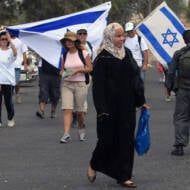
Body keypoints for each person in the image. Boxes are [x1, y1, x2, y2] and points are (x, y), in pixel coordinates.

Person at [87, 23, 148, 188]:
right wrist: (101, 110)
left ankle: (124, 175)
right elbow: (98, 87)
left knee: (126, 140)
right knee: (107, 140)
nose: (121, 39)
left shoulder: (127, 54)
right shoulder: (102, 58)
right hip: (109, 108)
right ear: (109, 37)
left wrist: (141, 100)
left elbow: (136, 79)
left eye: (123, 36)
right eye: (118, 36)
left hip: (127, 106)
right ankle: (94, 163)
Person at [60, 31, 92, 143]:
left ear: (75, 42)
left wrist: (77, 70)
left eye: (70, 40)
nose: (68, 43)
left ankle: (81, 128)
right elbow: (62, 70)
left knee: (79, 111)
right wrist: (63, 73)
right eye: (66, 41)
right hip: (67, 84)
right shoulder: (64, 55)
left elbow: (90, 68)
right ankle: (66, 134)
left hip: (80, 84)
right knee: (67, 109)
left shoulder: (83, 53)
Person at [166, 29, 190, 156]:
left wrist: (168, 88)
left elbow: (170, 73)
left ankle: (179, 147)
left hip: (183, 90)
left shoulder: (179, 54)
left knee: (181, 117)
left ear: (184, 40)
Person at [69, 29, 94, 128]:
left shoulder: (89, 46)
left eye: (84, 34)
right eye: (80, 34)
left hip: (85, 75)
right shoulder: (72, 46)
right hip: (73, 75)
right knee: (74, 98)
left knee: (82, 97)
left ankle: (81, 118)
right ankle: (76, 115)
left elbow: (92, 59)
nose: (82, 35)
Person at [0, 31, 17, 127]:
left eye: (6, 39)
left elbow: (15, 53)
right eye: (2, 39)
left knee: (8, 102)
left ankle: (10, 118)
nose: (4, 41)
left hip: (8, 80)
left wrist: (10, 40)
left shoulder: (11, 51)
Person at [10, 32, 28, 103]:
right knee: (9, 82)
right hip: (8, 65)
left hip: (17, 64)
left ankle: (17, 94)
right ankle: (9, 96)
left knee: (16, 83)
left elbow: (24, 53)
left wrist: (25, 64)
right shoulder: (6, 40)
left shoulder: (21, 40)